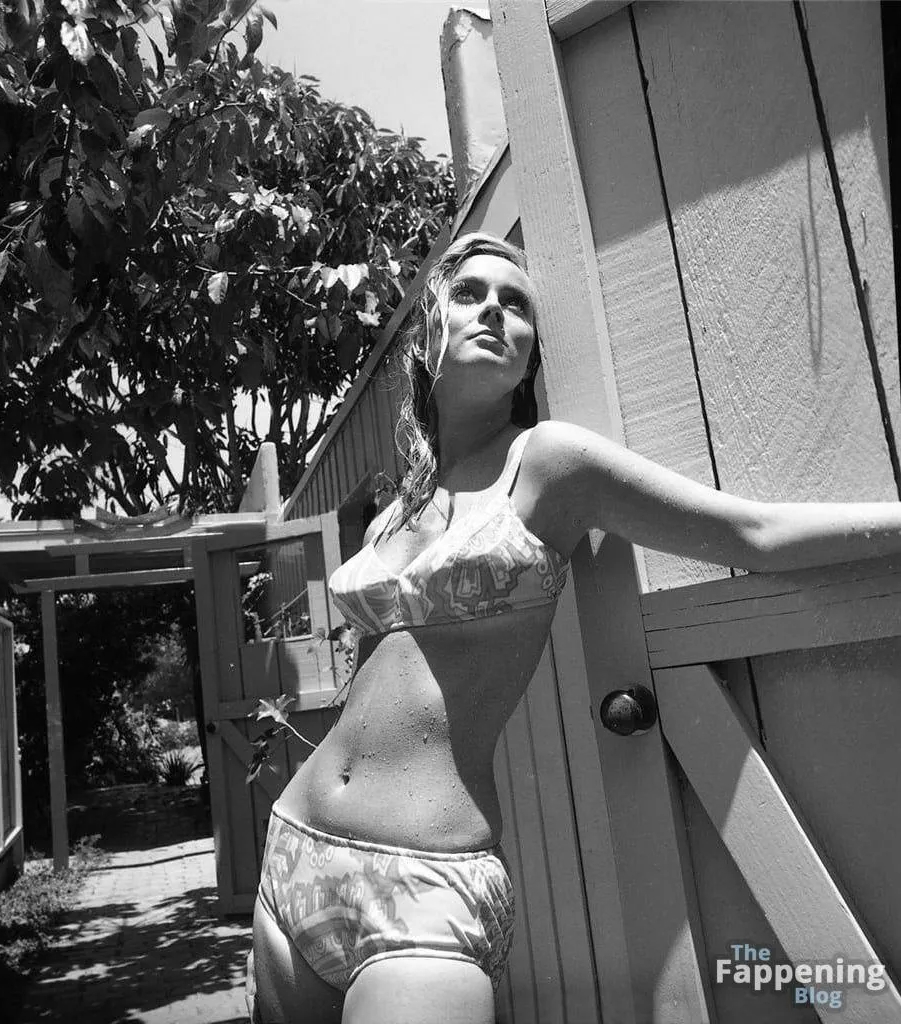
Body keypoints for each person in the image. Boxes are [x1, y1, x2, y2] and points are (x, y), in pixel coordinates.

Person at [247, 231, 901, 1024]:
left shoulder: (547, 466)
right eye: (469, 294)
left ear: (529, 360)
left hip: (425, 881)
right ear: (426, 337)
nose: (494, 310)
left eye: (515, 304)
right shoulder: (395, 510)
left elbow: (753, 533)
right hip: (295, 845)